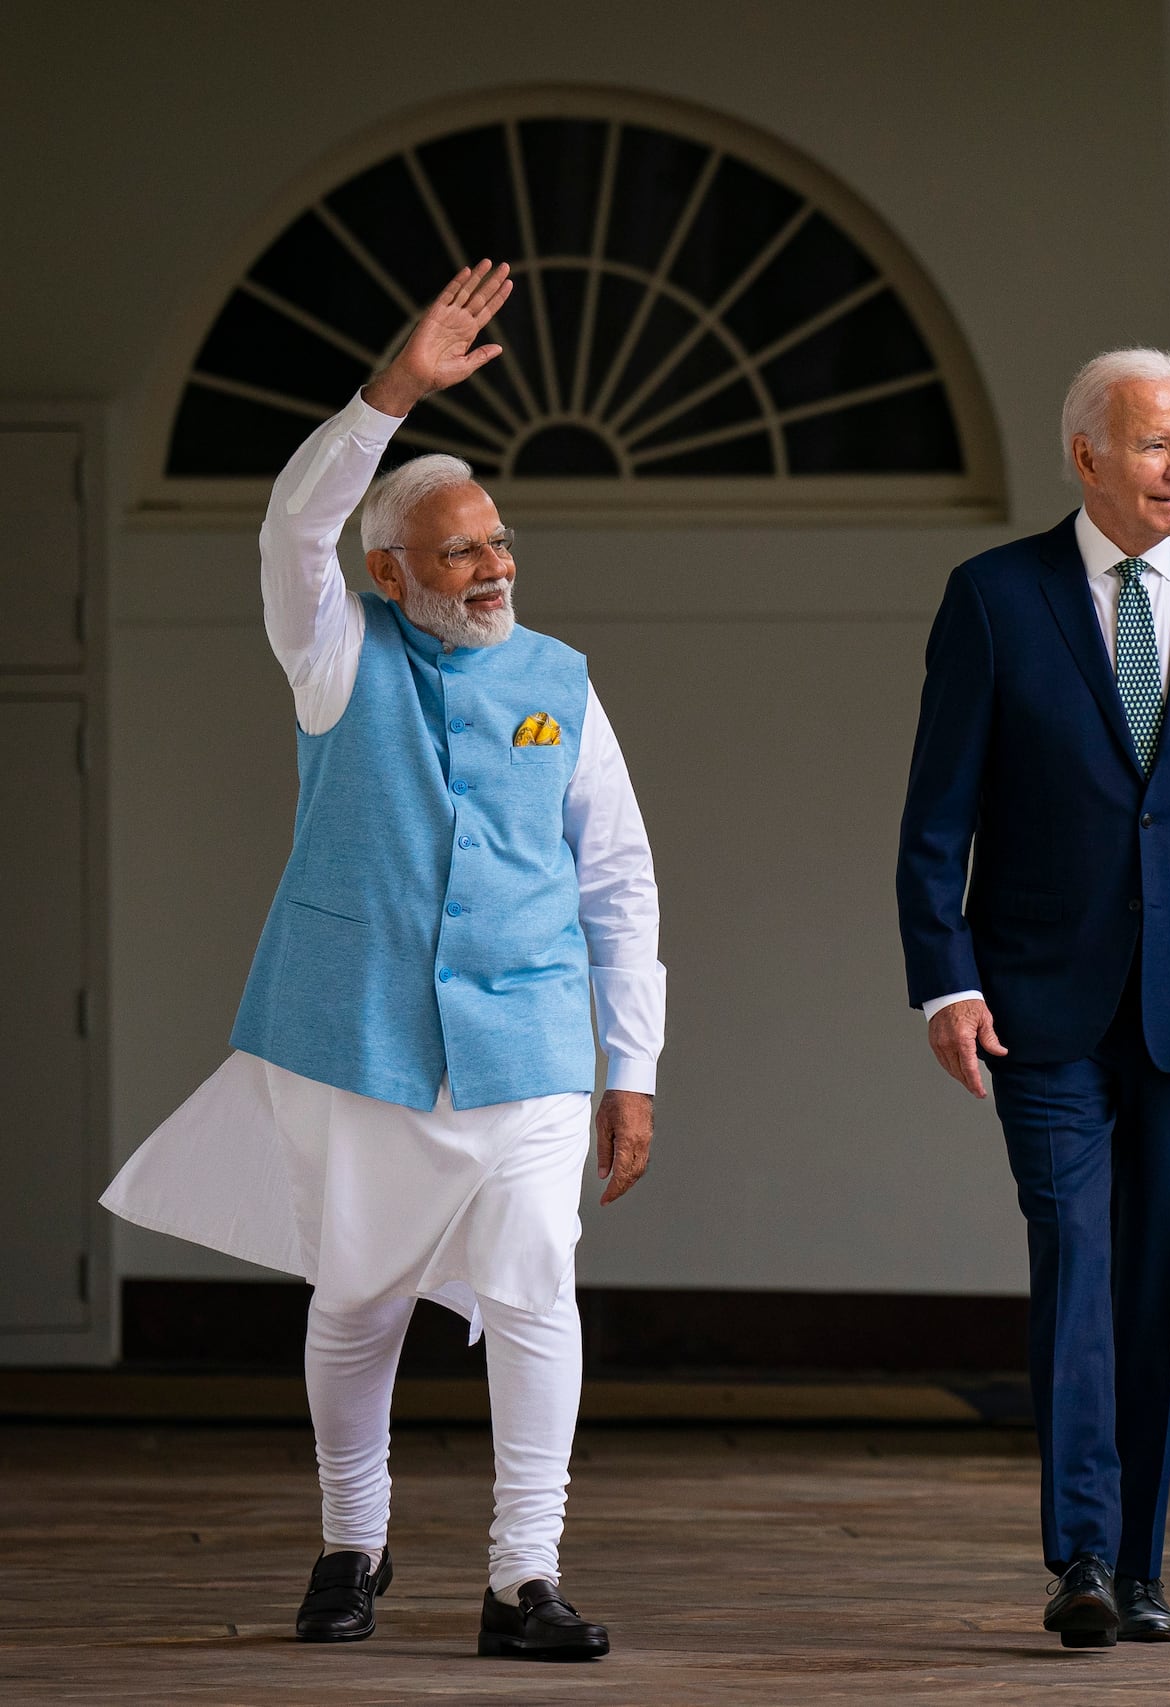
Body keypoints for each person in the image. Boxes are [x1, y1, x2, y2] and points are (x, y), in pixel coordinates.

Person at [101, 261, 662, 1663]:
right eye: (462, 550)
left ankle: (523, 1579)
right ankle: (353, 1545)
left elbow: (617, 879)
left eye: (501, 542)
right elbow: (294, 526)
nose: (495, 567)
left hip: (530, 1045)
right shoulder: (335, 658)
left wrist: (633, 1068)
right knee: (355, 1303)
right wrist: (396, 389)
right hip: (352, 1037)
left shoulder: (560, 681)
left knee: (537, 1290)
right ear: (388, 571)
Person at [896, 347, 1170, 1648]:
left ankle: (1142, 1568)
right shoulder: (994, 599)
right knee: (1078, 1255)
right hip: (1037, 1004)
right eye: (1155, 444)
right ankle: (1083, 1555)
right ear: (1087, 455)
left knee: (1159, 1280)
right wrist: (945, 982)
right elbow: (937, 819)